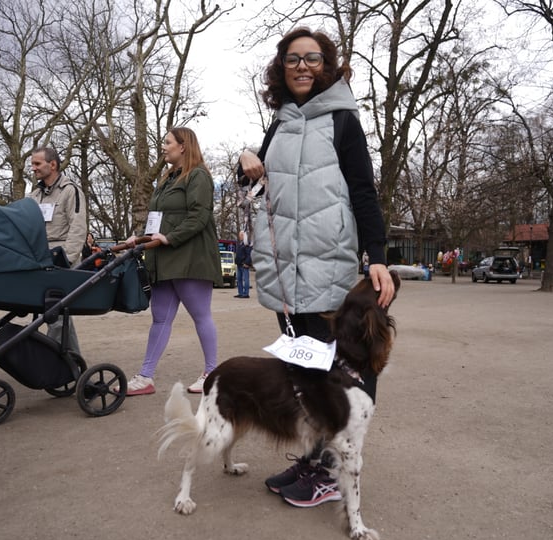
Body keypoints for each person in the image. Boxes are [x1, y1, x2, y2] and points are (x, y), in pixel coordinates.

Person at [238, 27, 396, 508]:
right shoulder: (280, 121)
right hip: (287, 273)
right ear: (280, 69)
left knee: (336, 375)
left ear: (327, 65)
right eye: (292, 59)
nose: (302, 66)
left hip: (329, 270)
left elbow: (364, 192)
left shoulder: (344, 121)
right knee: (298, 374)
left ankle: (333, 470)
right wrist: (246, 159)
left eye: (312, 58)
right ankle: (311, 459)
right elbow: (261, 179)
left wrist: (379, 257)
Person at [122, 127, 222, 396]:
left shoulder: (198, 175)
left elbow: (199, 216)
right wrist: (141, 238)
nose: (163, 147)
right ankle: (145, 376)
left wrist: (169, 238)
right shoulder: (167, 179)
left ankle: (212, 373)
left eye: (167, 142)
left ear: (183, 146)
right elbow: (158, 219)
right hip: (164, 259)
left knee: (200, 315)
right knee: (159, 319)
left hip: (191, 258)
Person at [28, 146, 87, 353]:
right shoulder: (34, 196)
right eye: (32, 163)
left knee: (57, 315)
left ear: (52, 164)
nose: (32, 168)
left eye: (37, 163)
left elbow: (78, 227)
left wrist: (66, 261)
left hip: (59, 262)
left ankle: (59, 360)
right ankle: (69, 360)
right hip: (38, 261)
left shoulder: (70, 190)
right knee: (53, 314)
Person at [234, 230, 252, 298]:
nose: (239, 237)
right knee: (239, 279)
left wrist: (247, 263)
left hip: (244, 264)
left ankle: (246, 293)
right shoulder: (240, 243)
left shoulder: (247, 244)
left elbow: (249, 254)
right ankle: (240, 292)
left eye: (241, 235)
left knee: (245, 279)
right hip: (239, 264)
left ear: (244, 235)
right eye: (239, 235)